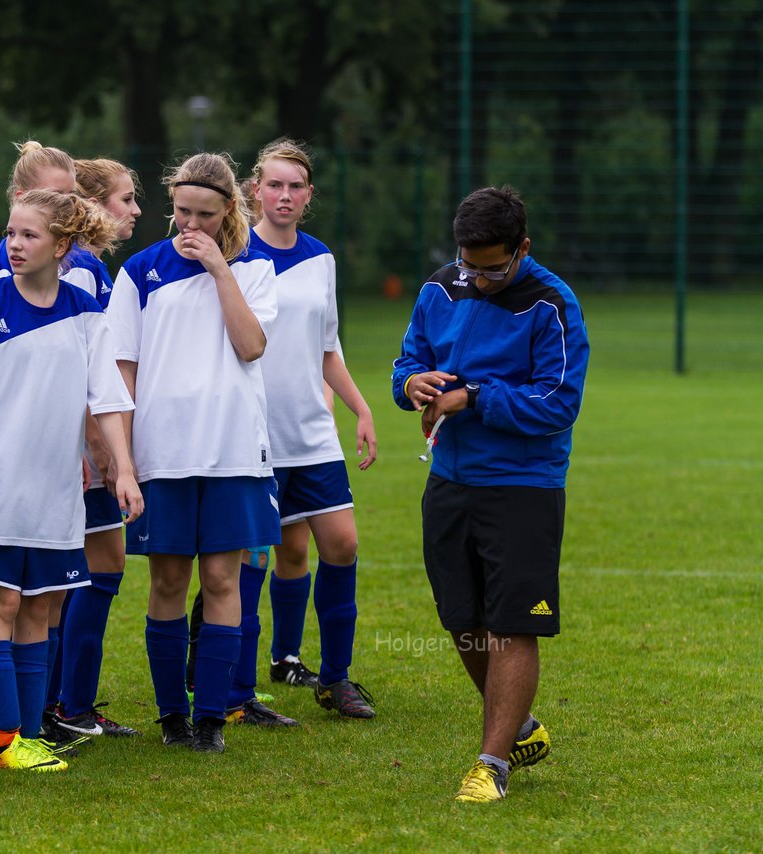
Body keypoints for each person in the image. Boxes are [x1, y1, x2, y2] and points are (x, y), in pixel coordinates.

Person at [391, 185, 589, 802]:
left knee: (510, 625)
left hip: (523, 486)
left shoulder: (552, 304)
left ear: (522, 249)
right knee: (461, 620)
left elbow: (559, 403)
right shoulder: (439, 287)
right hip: (449, 479)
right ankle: (521, 726)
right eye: (467, 265)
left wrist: (473, 397)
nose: (475, 279)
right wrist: (414, 386)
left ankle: (492, 763)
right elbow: (406, 364)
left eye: (491, 268)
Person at [0, 189, 143, 772]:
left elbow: (107, 398)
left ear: (61, 245)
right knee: (2, 604)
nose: (14, 245)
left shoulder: (85, 312)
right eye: (11, 234)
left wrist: (124, 471)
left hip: (60, 494)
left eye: (28, 236)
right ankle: (2, 742)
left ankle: (28, 736)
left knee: (41, 609)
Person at [108, 152, 280, 754]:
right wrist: (122, 456)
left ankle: (212, 717)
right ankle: (171, 715)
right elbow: (121, 371)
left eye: (205, 216)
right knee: (167, 582)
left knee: (222, 578)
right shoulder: (139, 272)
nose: (190, 226)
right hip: (164, 455)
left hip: (233, 452)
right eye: (182, 212)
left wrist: (219, 271)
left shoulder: (254, 268)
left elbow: (252, 344)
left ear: (229, 209)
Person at [0, 141, 121, 744]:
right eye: (55, 196)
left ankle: (47, 714)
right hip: (23, 464)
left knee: (55, 592)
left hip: (67, 463)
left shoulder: (81, 278)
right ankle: (31, 723)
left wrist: (108, 451)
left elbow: (97, 378)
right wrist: (99, 450)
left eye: (72, 196)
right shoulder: (1, 278)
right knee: (22, 599)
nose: (70, 204)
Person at [240, 139, 378, 721]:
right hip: (251, 435)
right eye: (275, 184)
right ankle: (233, 684)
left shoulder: (321, 257)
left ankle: (336, 680)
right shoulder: (234, 255)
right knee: (254, 559)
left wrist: (361, 408)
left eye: (296, 186)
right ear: (254, 190)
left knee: (341, 544)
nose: (285, 195)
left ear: (309, 195)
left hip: (312, 432)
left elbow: (327, 347)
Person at [40, 157, 144, 741]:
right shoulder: (78, 268)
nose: (134, 210)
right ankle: (64, 705)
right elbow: (78, 367)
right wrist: (100, 449)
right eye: (125, 199)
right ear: (93, 205)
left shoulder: (92, 268)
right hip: (80, 450)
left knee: (96, 568)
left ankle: (69, 703)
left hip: (87, 445)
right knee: (85, 572)